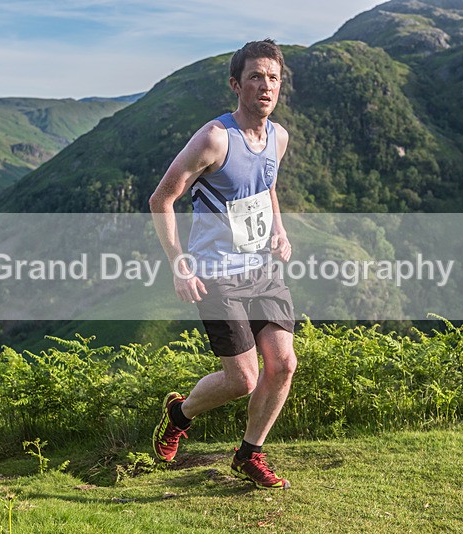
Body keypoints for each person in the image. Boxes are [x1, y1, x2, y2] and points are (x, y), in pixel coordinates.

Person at [149, 39, 297, 489]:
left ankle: (250, 453)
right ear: (237, 84)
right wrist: (179, 265)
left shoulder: (279, 137)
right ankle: (179, 413)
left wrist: (279, 227)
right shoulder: (215, 138)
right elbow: (162, 199)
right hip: (217, 274)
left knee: (284, 363)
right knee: (243, 379)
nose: (265, 86)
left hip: (263, 270)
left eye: (272, 78)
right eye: (255, 77)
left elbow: (266, 185)